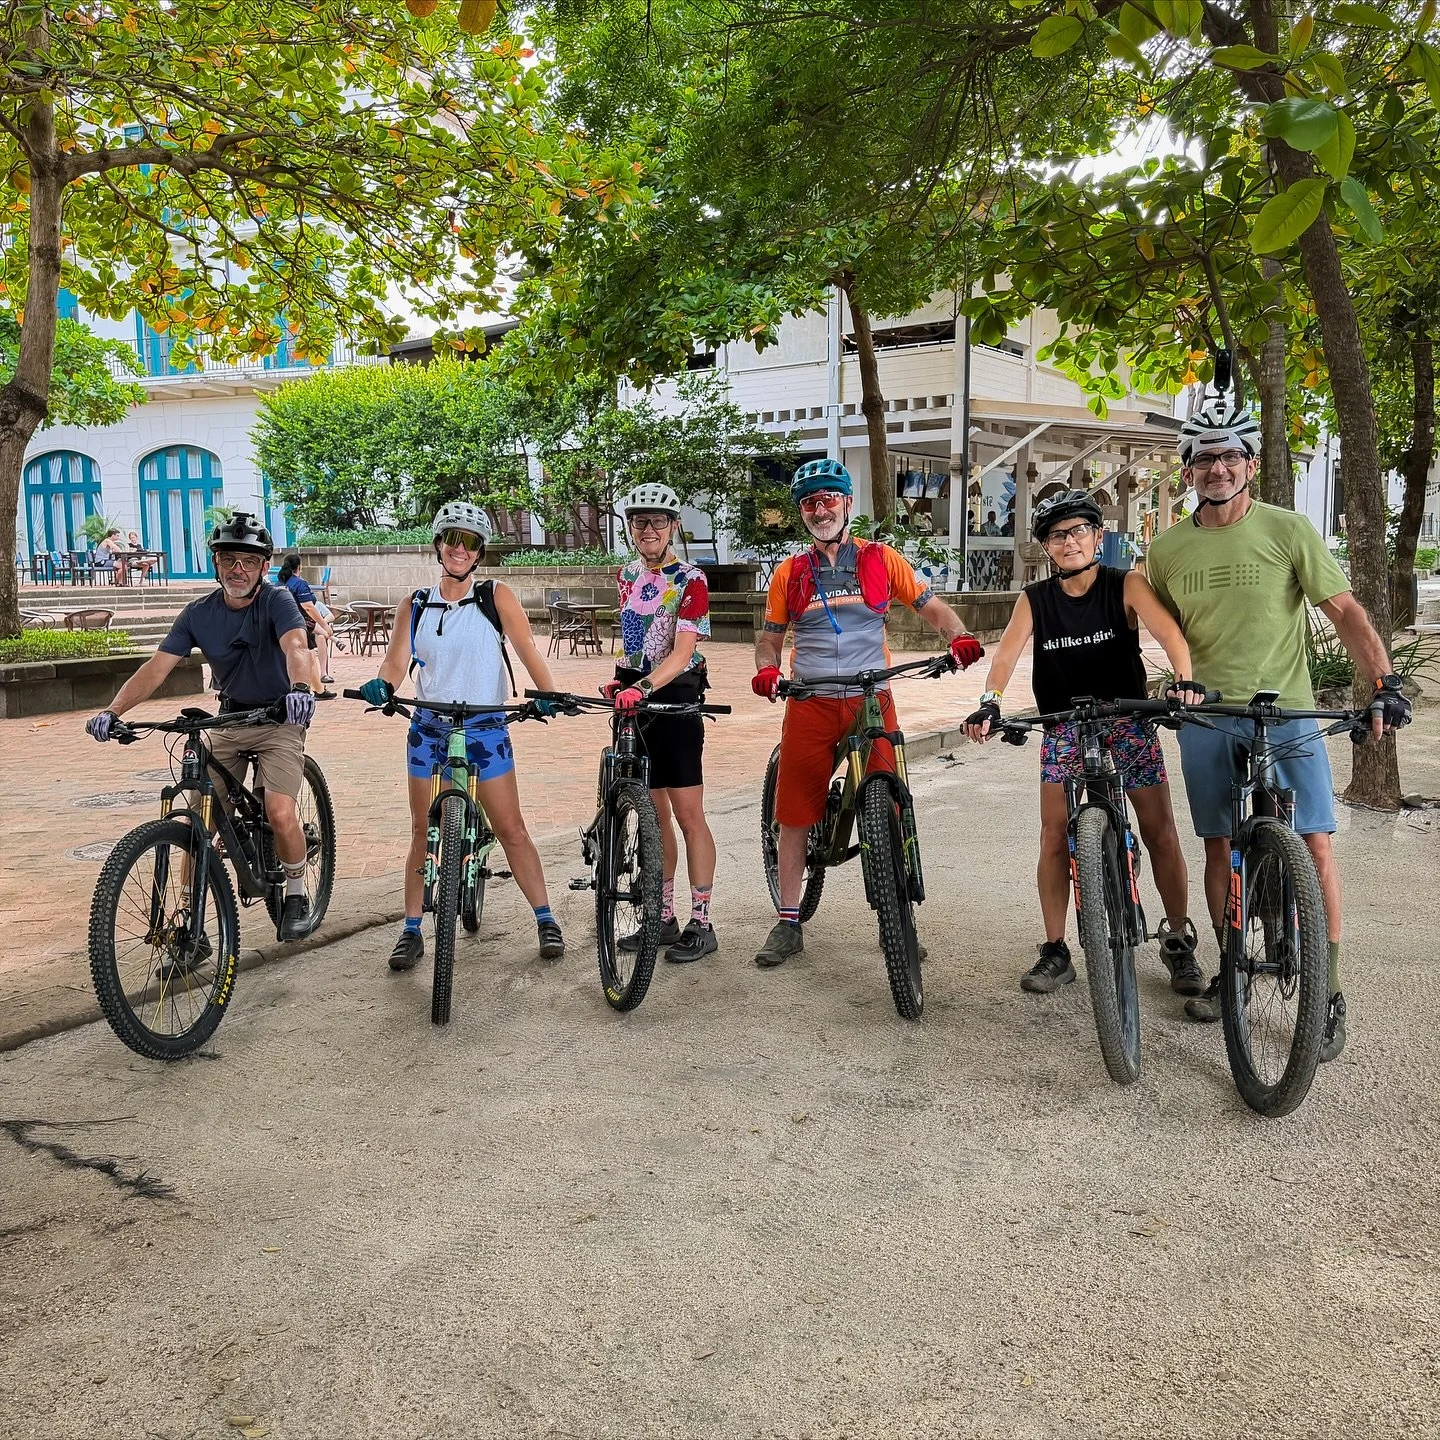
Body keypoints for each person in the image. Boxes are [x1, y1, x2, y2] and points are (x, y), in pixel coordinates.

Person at [1146, 391, 1412, 1059]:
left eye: (1229, 456)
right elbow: (1168, 634)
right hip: (1210, 717)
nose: (1217, 467)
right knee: (1217, 848)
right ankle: (1231, 969)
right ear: (1188, 470)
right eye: (1203, 457)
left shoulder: (1289, 529)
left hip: (1286, 710)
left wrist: (1383, 681)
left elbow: (1345, 611)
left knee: (1317, 847)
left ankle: (1329, 991)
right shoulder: (1167, 550)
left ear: (1250, 463)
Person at [963, 489, 1205, 996]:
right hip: (1065, 724)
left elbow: (1170, 635)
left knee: (1160, 831)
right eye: (1056, 535)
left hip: (1127, 720)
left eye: (1078, 531)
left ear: (1098, 536)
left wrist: (1183, 679)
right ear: (1046, 547)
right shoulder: (1035, 599)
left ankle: (1179, 939)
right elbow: (1005, 656)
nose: (1069, 541)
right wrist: (990, 700)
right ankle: (1056, 948)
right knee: (1053, 835)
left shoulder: (1126, 585)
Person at [751, 458, 984, 967]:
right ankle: (788, 921)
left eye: (828, 499)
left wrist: (958, 634)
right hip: (810, 700)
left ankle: (898, 918)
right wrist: (767, 669)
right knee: (793, 814)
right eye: (809, 504)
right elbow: (769, 639)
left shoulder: (882, 559)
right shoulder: (790, 572)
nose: (819, 510)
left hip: (872, 696)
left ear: (847, 504)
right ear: (801, 513)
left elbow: (933, 608)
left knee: (892, 803)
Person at [84, 512, 318, 940]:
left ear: (265, 567)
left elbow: (296, 645)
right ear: (216, 564)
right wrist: (113, 711)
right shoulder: (198, 613)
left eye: (248, 561)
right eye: (228, 559)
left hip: (279, 717)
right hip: (228, 719)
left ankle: (299, 892)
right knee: (198, 821)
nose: (238, 569)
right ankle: (191, 923)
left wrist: (300, 687)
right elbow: (157, 668)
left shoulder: (277, 601)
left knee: (280, 811)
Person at [357, 502, 567, 971]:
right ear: (438, 544)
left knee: (511, 828)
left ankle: (545, 917)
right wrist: (384, 685)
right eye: (451, 538)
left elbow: (527, 648)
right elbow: (396, 660)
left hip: (485, 726)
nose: (459, 548)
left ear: (479, 553)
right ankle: (412, 929)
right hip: (429, 726)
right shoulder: (415, 603)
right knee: (421, 830)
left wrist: (549, 693)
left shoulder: (496, 596)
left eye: (469, 541)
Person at [604, 482, 719, 963]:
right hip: (636, 701)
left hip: (674, 699)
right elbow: (633, 639)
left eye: (658, 521)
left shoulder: (692, 580)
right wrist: (618, 678)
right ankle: (664, 917)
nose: (648, 530)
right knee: (652, 815)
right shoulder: (627, 574)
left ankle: (703, 921)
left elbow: (682, 652)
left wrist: (645, 686)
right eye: (639, 521)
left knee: (689, 813)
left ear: (674, 526)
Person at [277, 553, 335, 697]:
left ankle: (318, 689)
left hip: (282, 623)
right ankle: (313, 689)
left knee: (307, 654)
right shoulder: (299, 583)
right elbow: (308, 607)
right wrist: (324, 625)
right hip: (299, 624)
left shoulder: (281, 583)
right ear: (299, 567)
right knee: (307, 654)